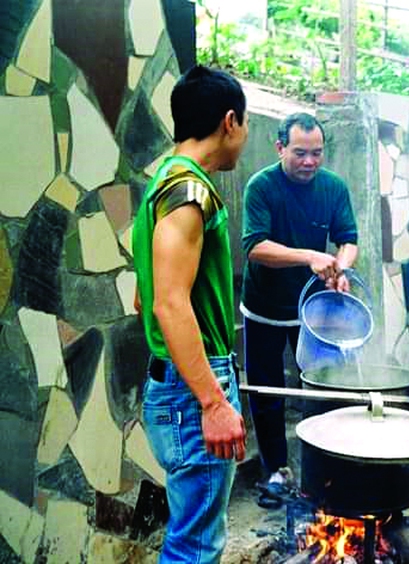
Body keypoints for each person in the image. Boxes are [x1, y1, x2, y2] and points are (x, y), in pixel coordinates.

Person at [132, 65, 249, 562]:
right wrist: (214, 402)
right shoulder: (190, 193)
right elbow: (167, 303)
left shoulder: (161, 181)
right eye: (246, 126)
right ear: (229, 121)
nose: (244, 137)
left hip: (174, 384)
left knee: (191, 536)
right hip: (192, 390)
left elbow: (144, 297)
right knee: (195, 548)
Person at [240, 112, 358, 506]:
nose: (310, 162)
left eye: (317, 153)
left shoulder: (333, 187)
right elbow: (255, 247)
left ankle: (324, 472)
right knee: (267, 393)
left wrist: (340, 267)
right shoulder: (261, 187)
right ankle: (276, 471)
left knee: (323, 388)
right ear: (280, 149)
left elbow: (348, 240)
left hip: (312, 311)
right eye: (300, 153)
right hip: (264, 309)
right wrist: (309, 255)